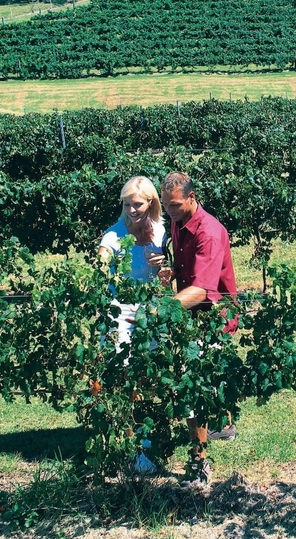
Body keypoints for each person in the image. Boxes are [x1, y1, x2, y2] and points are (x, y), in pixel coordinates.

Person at [160, 171, 238, 488]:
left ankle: (199, 465)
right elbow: (186, 271)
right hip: (193, 313)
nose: (170, 212)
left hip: (213, 316)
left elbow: (203, 291)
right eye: (166, 206)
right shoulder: (179, 224)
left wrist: (160, 310)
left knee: (191, 391)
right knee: (201, 383)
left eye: (175, 205)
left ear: (192, 198)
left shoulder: (209, 232)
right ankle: (225, 427)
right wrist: (170, 270)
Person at [98, 175, 166, 476]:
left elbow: (169, 271)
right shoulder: (113, 236)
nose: (131, 210)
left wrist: (164, 266)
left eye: (137, 204)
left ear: (150, 203)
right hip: (119, 312)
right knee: (123, 378)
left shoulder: (161, 232)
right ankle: (131, 448)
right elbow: (100, 268)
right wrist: (104, 275)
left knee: (145, 377)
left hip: (149, 313)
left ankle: (141, 435)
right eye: (126, 205)